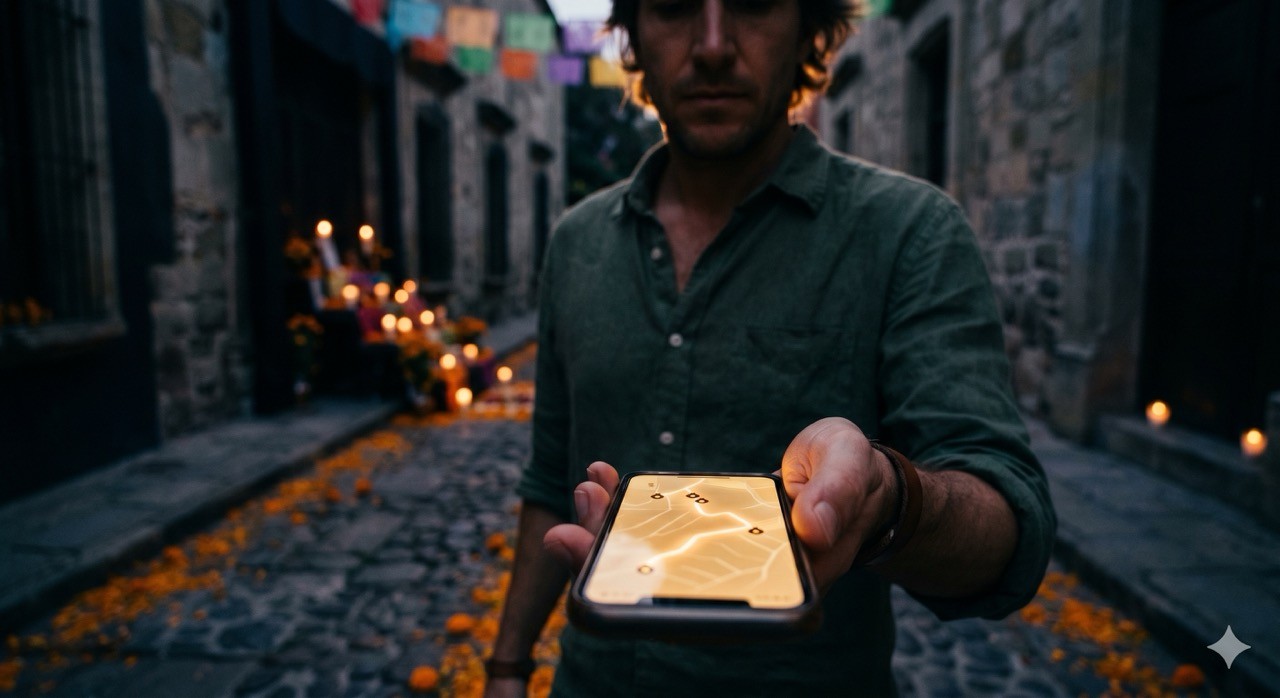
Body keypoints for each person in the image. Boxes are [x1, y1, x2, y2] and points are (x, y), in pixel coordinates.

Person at [487, 0, 1056, 694]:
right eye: (672, 6)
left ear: (809, 28)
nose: (714, 45)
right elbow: (551, 480)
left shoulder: (908, 233)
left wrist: (889, 498)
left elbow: (1007, 530)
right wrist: (509, 664)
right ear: (632, 31)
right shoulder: (576, 243)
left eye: (754, 2)